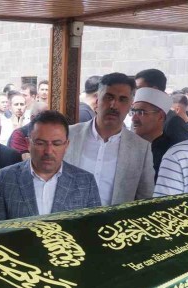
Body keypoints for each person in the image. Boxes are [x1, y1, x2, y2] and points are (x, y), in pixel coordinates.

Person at [0, 111, 100, 221]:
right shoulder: (7, 178)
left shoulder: (85, 182)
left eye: (56, 144)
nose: (48, 151)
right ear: (28, 143)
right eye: (40, 143)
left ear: (66, 145)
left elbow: (94, 227)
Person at [64, 72, 154, 206]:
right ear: (97, 101)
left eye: (122, 99)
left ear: (130, 106)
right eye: (109, 97)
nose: (114, 105)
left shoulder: (141, 148)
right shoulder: (69, 135)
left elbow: (145, 199)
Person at [130, 87, 175, 181]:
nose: (134, 119)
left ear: (160, 116)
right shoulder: (127, 146)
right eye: (133, 112)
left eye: (141, 112)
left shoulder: (172, 153)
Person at [135, 69, 188, 144]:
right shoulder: (135, 117)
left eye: (139, 88)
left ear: (154, 90)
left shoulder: (173, 122)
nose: (135, 92)